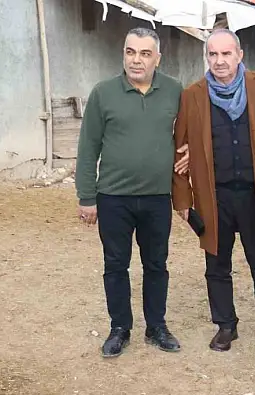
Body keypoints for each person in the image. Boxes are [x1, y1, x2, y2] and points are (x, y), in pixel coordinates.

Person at [171, 29, 255, 355]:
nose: (220, 61)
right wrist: (183, 200)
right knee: (217, 265)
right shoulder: (192, 95)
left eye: (226, 54)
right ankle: (225, 325)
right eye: (213, 54)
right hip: (213, 196)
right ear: (206, 57)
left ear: (239, 55)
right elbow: (179, 149)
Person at [75, 27, 189, 358]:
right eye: (130, 52)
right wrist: (86, 197)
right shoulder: (103, 93)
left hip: (157, 197)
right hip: (113, 197)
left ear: (157, 58)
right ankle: (119, 328)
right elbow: (88, 147)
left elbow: (187, 133)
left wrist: (190, 151)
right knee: (115, 265)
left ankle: (156, 326)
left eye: (144, 53)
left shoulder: (174, 91)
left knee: (156, 264)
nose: (136, 60)